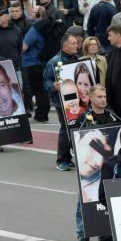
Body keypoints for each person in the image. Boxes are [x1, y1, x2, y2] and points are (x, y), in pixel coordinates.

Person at [45, 34, 81, 171]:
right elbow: (46, 81)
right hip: (61, 102)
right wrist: (53, 86)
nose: (76, 45)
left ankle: (68, 157)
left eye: (76, 43)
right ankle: (61, 159)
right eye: (73, 43)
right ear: (64, 45)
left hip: (77, 101)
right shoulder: (55, 61)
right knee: (66, 129)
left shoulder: (77, 59)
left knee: (74, 128)